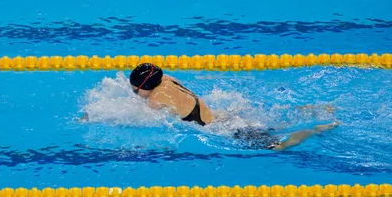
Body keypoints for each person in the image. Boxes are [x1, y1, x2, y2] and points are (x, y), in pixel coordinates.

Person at [129, 63, 338, 151]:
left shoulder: (155, 101)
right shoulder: (168, 79)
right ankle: (313, 109)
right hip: (219, 118)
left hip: (223, 131)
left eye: (135, 91)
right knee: (271, 126)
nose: (135, 94)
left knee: (277, 147)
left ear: (145, 87)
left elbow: (153, 125)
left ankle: (313, 129)